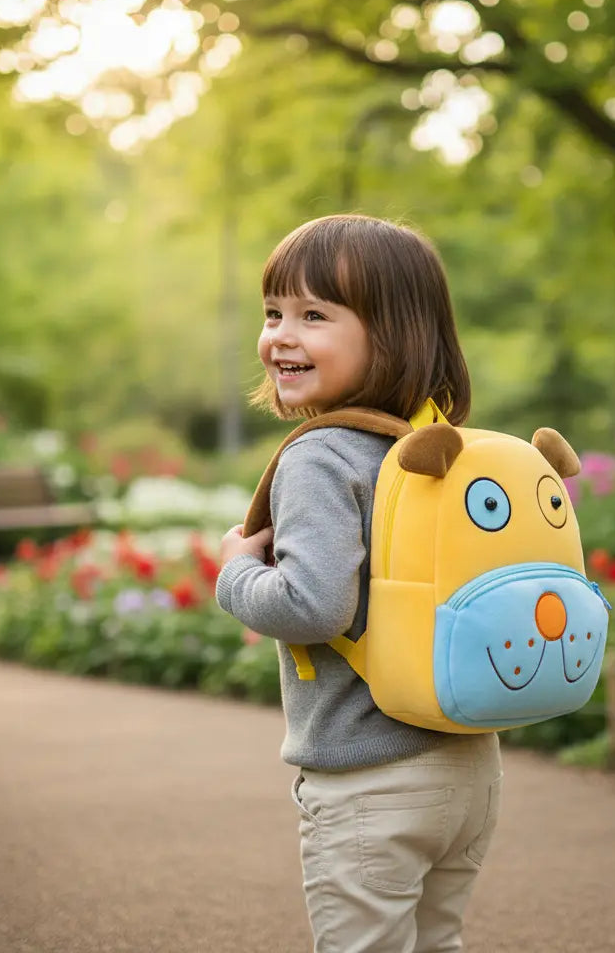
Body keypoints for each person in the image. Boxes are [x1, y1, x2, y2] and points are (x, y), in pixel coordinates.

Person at [215, 214, 502, 953]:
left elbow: (312, 606)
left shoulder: (323, 457)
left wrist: (236, 571)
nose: (281, 336)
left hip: (369, 775)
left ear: (394, 335)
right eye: (273, 313)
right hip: (469, 765)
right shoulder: (438, 452)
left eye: (314, 316)